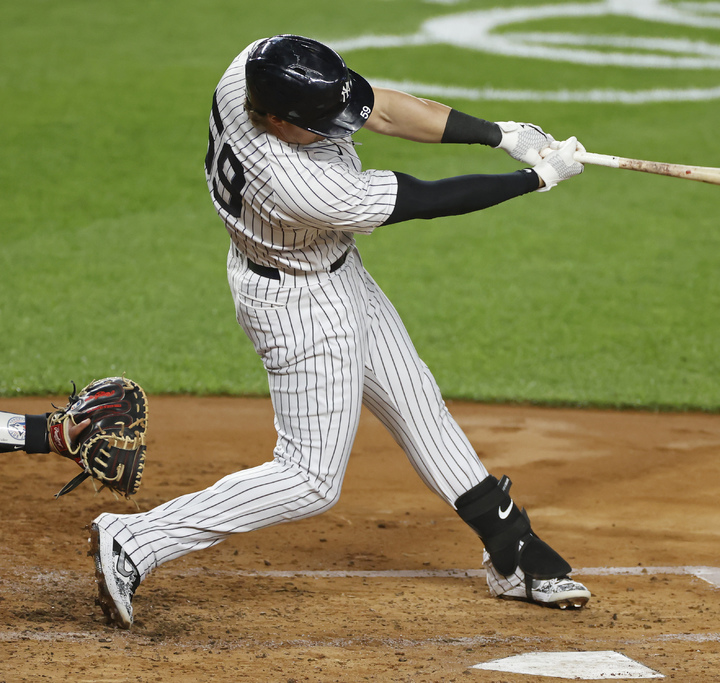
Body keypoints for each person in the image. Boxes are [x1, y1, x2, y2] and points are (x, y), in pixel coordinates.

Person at [87, 34, 591, 629]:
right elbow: (425, 199)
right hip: (297, 304)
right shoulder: (295, 183)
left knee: (416, 402)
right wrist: (537, 179)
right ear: (278, 120)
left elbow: (383, 110)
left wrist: (500, 134)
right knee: (309, 479)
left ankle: (512, 552)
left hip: (333, 269)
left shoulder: (254, 68)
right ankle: (137, 539)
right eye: (321, 124)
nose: (339, 128)